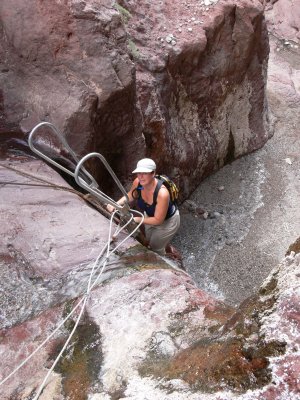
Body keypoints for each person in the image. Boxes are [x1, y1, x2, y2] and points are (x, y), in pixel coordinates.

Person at [106, 158, 180, 255]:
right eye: (138, 173)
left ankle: (164, 257)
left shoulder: (162, 194)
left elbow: (158, 220)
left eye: (144, 173)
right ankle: (166, 245)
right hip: (149, 215)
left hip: (167, 222)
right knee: (149, 239)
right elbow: (131, 195)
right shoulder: (138, 183)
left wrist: (136, 219)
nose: (140, 176)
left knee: (155, 248)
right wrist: (116, 204)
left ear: (153, 173)